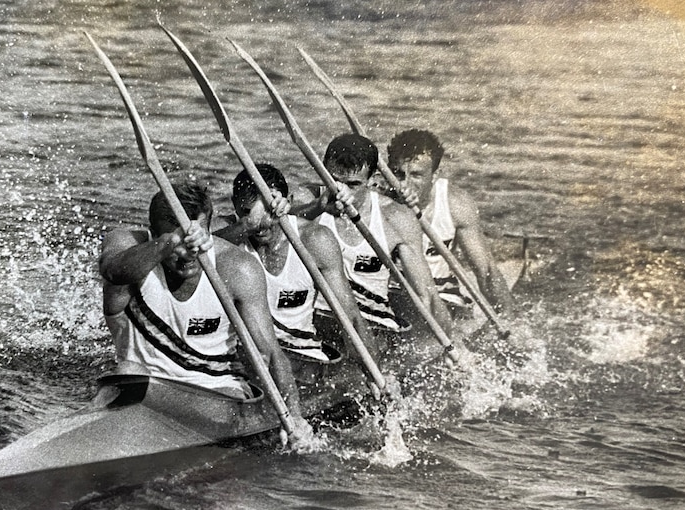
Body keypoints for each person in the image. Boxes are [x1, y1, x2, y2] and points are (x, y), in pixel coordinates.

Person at [99, 181, 312, 438]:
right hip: (144, 384)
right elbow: (113, 271)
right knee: (128, 373)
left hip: (217, 392)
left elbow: (271, 353)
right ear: (154, 234)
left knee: (129, 380)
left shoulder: (237, 269)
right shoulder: (125, 244)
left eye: (199, 238)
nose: (189, 254)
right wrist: (170, 242)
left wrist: (295, 417)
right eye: (179, 245)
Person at [214, 163, 381, 374]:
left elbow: (351, 318)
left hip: (305, 358)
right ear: (234, 207)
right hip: (255, 358)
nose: (262, 222)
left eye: (269, 210)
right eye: (246, 212)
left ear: (288, 203)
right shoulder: (225, 234)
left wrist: (376, 375)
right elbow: (195, 250)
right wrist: (246, 225)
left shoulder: (314, 240)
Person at [291, 133, 455, 343]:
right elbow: (276, 223)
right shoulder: (308, 198)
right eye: (334, 181)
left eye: (353, 184)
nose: (341, 191)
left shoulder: (395, 217)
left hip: (373, 324)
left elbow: (428, 295)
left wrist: (447, 345)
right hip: (320, 318)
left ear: (372, 180)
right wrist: (317, 208)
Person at [386, 129, 515, 316]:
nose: (404, 185)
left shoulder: (455, 203)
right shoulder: (376, 199)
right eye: (397, 174)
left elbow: (485, 271)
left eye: (416, 175)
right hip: (392, 291)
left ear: (435, 174)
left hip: (441, 295)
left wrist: (506, 317)